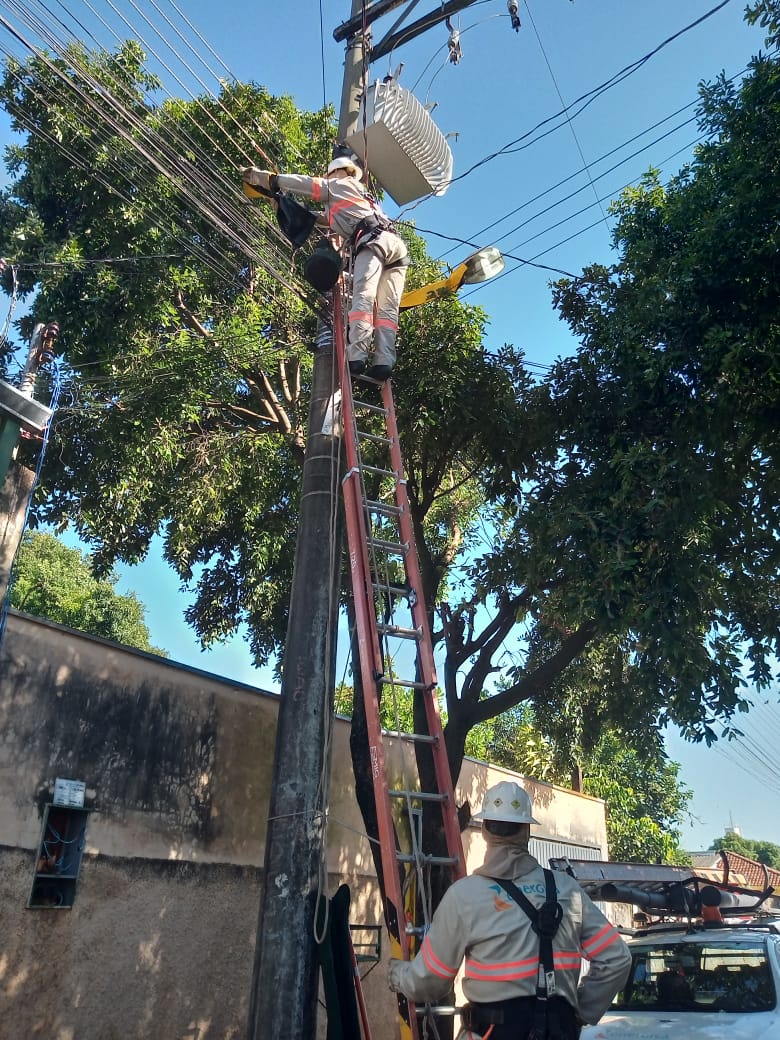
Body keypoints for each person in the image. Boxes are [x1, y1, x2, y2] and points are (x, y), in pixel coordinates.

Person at [388, 780, 632, 1040]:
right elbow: (617, 959)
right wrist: (575, 1012)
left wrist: (397, 975)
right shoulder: (567, 889)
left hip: (493, 1031)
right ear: (527, 831)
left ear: (484, 830)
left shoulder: (465, 896)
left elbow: (431, 982)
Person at [241, 155, 409, 381]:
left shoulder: (338, 185)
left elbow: (305, 184)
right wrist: (282, 203)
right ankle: (383, 362)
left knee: (363, 300)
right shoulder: (360, 195)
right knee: (387, 311)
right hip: (396, 248)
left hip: (373, 242)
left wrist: (267, 179)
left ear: (334, 173)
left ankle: (356, 357)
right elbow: (320, 218)